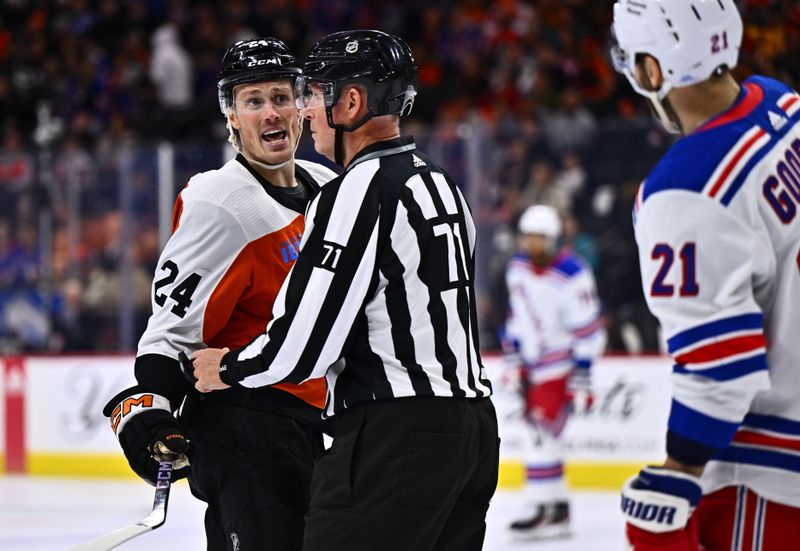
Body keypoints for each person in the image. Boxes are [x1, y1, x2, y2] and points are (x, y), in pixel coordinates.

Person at [191, 30, 499, 551]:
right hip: (473, 431)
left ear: (351, 102)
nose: (306, 110)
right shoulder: (441, 184)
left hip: (396, 436)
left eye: (314, 93)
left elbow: (304, 345)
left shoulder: (355, 191)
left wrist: (223, 368)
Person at [101, 38, 337, 550]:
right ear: (230, 115)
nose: (270, 112)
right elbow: (170, 328)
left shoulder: (326, 185)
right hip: (246, 428)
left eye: (281, 96)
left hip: (308, 423)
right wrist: (149, 408)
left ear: (301, 104)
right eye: (254, 101)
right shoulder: (221, 202)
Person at [612, 1, 800, 549]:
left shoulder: (684, 191)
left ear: (653, 71)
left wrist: (680, 467)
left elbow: (722, 371)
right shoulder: (782, 101)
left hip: (766, 479)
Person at [502, 204, 606, 541]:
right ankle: (558, 509)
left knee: (541, 437)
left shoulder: (573, 274)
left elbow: (589, 331)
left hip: (559, 366)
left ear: (554, 239)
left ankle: (541, 509)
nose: (533, 244)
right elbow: (516, 316)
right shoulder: (517, 268)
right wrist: (514, 358)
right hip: (532, 366)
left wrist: (583, 376)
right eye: (528, 237)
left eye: (540, 238)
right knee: (541, 436)